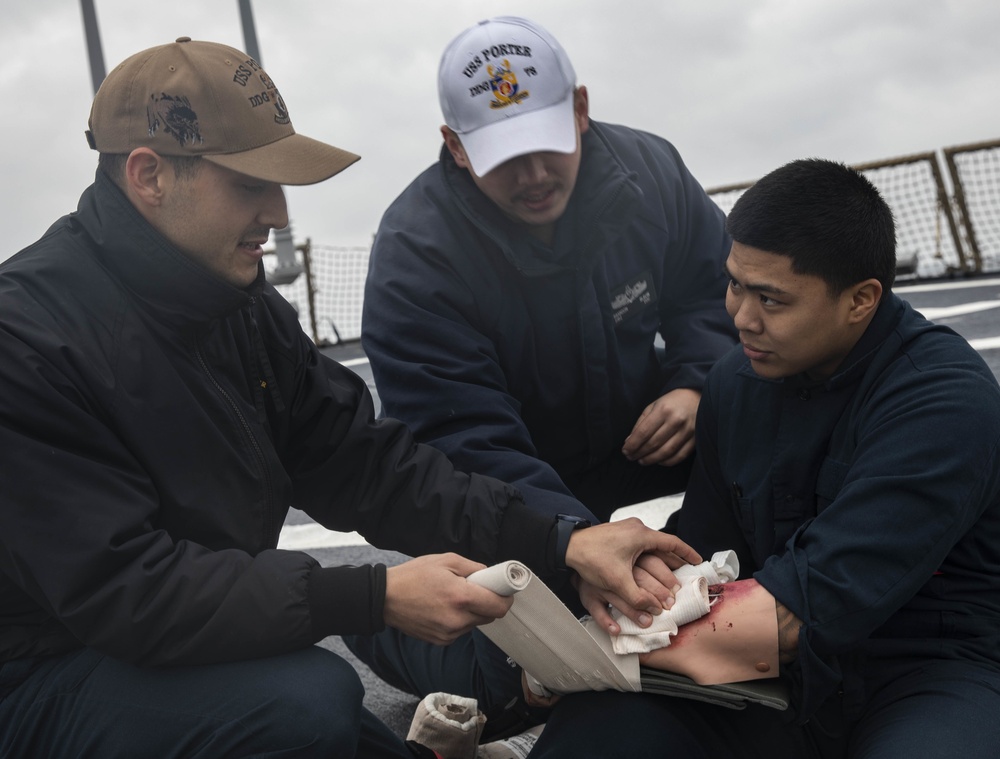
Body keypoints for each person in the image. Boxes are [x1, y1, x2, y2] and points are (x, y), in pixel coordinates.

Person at [0, 38, 705, 759]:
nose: (278, 212)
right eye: (251, 183)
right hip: (39, 668)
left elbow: (367, 464)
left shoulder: (236, 306)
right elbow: (127, 592)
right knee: (304, 703)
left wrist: (564, 540)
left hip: (166, 644)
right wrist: (373, 597)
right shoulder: (25, 341)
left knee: (331, 721)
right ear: (150, 175)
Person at [525, 158, 1000, 758]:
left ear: (861, 300)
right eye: (734, 285)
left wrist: (569, 656)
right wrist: (626, 584)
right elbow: (703, 551)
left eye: (771, 299)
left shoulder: (943, 399)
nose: (740, 317)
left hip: (927, 673)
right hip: (772, 675)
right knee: (597, 733)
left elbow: (800, 613)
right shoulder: (734, 383)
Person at [361, 15, 737, 526]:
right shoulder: (414, 253)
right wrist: (570, 540)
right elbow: (460, 435)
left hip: (646, 440)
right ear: (457, 146)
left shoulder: (652, 173)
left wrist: (699, 383)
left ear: (580, 108)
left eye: (547, 144)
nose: (534, 176)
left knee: (773, 413)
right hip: (512, 474)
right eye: (506, 157)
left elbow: (715, 291)